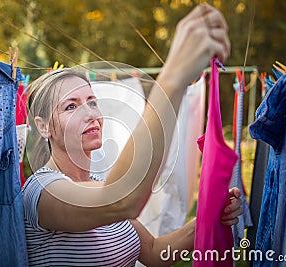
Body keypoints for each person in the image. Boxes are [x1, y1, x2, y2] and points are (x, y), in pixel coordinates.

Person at [23, 3, 242, 266]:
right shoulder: (42, 191)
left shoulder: (99, 180)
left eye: (92, 101)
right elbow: (120, 201)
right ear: (43, 125)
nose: (90, 113)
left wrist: (207, 217)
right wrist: (173, 76)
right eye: (71, 106)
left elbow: (152, 251)